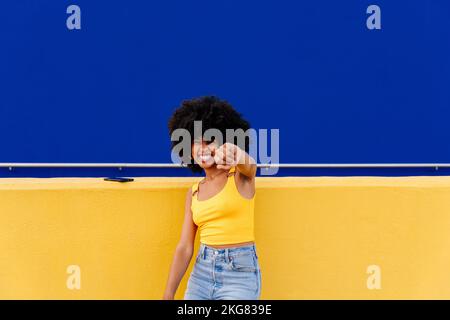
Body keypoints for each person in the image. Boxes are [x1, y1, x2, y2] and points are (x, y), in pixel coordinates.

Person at [163, 96, 261, 300]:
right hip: (202, 274)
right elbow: (185, 247)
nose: (202, 148)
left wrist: (237, 154)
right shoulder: (194, 192)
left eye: (209, 141)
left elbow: (250, 166)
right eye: (196, 143)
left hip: (239, 275)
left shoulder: (240, 177)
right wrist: (169, 293)